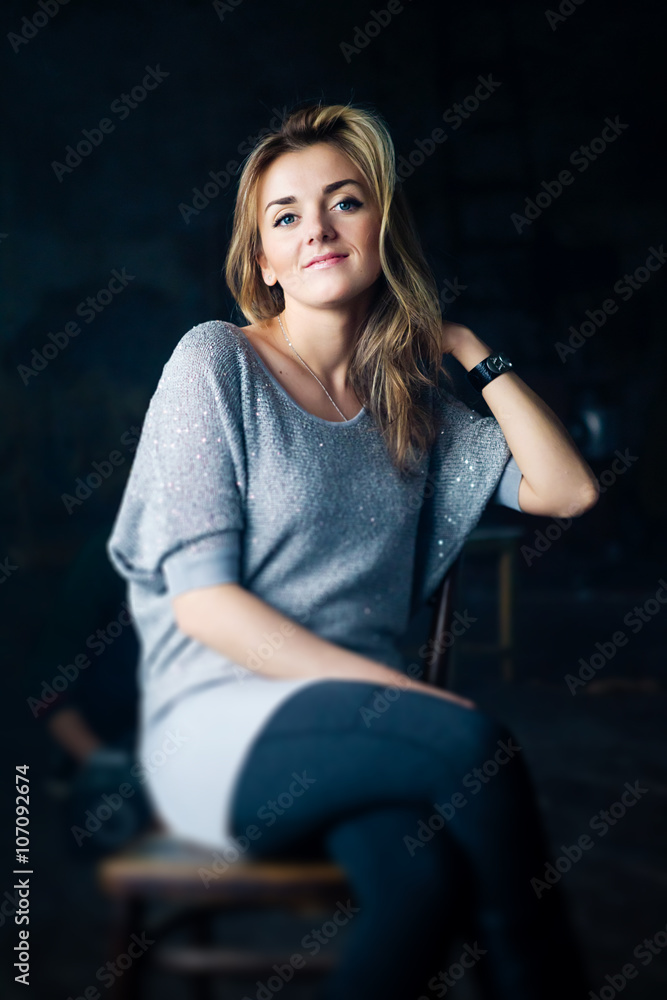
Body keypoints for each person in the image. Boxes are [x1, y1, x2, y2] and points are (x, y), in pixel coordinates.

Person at [106, 101, 599, 999]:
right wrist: (398, 696)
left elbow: (568, 489)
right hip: (223, 734)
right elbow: (205, 606)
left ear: (382, 225)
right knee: (473, 748)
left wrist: (467, 349)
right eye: (285, 218)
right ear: (262, 260)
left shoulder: (411, 405)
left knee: (422, 886)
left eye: (344, 202)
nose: (316, 231)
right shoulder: (216, 365)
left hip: (377, 739)